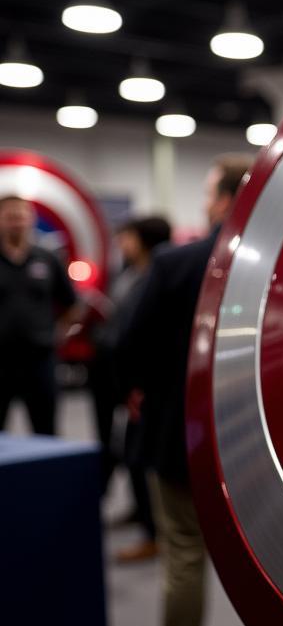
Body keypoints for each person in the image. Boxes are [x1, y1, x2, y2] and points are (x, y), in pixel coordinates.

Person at [114, 155, 251, 626]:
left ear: (222, 199)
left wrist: (141, 388)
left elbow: (130, 347)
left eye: (209, 193)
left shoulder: (178, 263)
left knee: (184, 554)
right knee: (266, 560)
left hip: (182, 436)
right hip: (259, 444)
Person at [91, 216, 172, 563]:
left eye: (127, 237)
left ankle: (152, 531)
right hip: (114, 374)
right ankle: (141, 513)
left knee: (138, 451)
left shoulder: (158, 275)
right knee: (123, 445)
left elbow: (143, 333)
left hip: (140, 383)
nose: (122, 243)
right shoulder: (128, 273)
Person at [0, 195, 76, 435]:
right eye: (10, 216)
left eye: (21, 215)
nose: (16, 221)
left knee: (46, 431)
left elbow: (72, 304)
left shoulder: (48, 258)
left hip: (39, 360)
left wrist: (58, 333)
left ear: (31, 219)